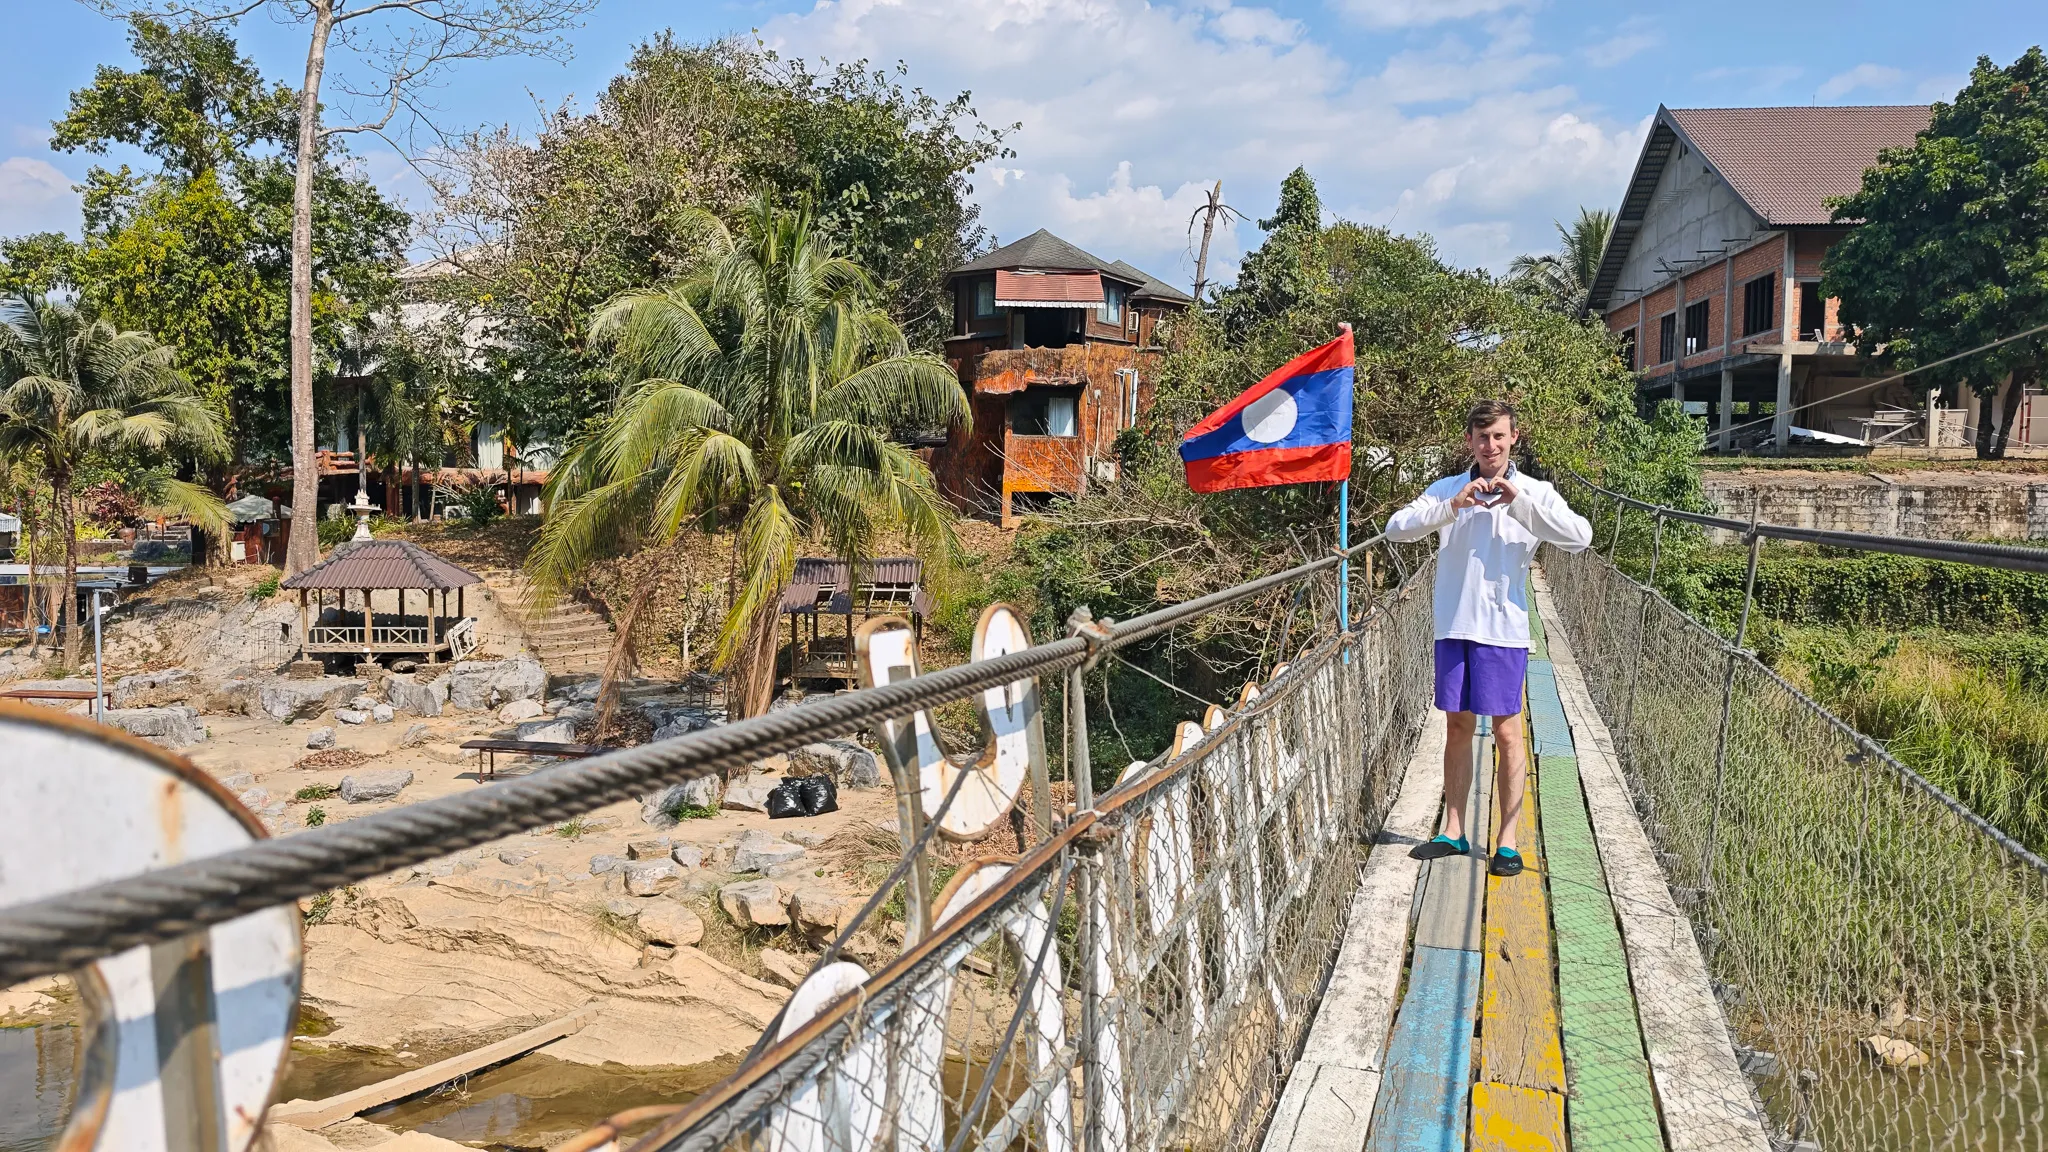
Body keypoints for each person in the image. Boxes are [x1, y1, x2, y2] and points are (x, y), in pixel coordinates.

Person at [1385, 399, 1592, 877]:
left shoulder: (1536, 492)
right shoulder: (1449, 489)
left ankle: (1507, 840)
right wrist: (1450, 508)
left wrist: (1519, 503)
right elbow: (1397, 529)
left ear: (1514, 438)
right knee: (1456, 726)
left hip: (1504, 629)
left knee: (1506, 731)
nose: (1490, 445)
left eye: (1499, 436)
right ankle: (1452, 830)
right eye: (1482, 437)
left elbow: (1580, 537)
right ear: (1469, 442)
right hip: (1453, 625)